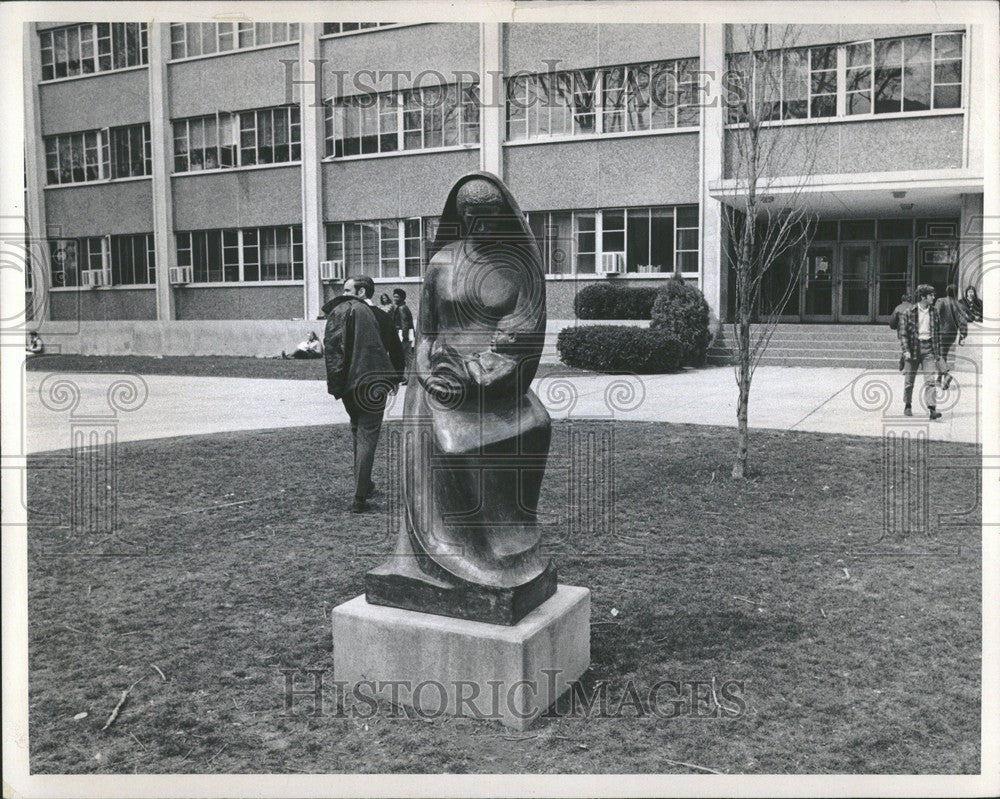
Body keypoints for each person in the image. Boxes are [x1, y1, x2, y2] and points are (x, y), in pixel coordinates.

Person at [322, 275, 404, 513]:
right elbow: (396, 349)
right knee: (367, 435)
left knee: (358, 432)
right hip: (371, 382)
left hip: (349, 384)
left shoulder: (341, 312)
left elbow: (335, 351)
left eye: (347, 289)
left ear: (362, 292)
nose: (343, 293)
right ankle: (360, 495)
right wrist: (396, 377)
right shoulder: (380, 316)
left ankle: (365, 484)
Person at [898, 284, 943, 420]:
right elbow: (903, 334)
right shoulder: (909, 312)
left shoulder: (934, 312)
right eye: (931, 295)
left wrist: (937, 353)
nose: (934, 297)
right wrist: (906, 350)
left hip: (928, 349)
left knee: (930, 381)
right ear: (923, 297)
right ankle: (908, 405)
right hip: (913, 349)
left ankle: (932, 409)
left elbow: (938, 333)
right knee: (909, 381)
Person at [935, 284, 967, 389]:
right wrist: (963, 334)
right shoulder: (960, 305)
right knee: (943, 355)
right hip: (952, 334)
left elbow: (935, 314)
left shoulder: (941, 301)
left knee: (938, 355)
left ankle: (946, 375)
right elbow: (962, 321)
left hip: (941, 332)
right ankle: (939, 379)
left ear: (946, 291)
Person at [392, 288, 415, 382]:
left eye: (397, 296)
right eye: (394, 296)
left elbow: (404, 323)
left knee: (406, 357)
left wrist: (404, 337)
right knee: (407, 357)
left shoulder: (401, 308)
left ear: (402, 298)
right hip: (405, 334)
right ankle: (408, 377)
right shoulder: (402, 307)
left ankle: (409, 378)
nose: (394, 298)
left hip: (403, 335)